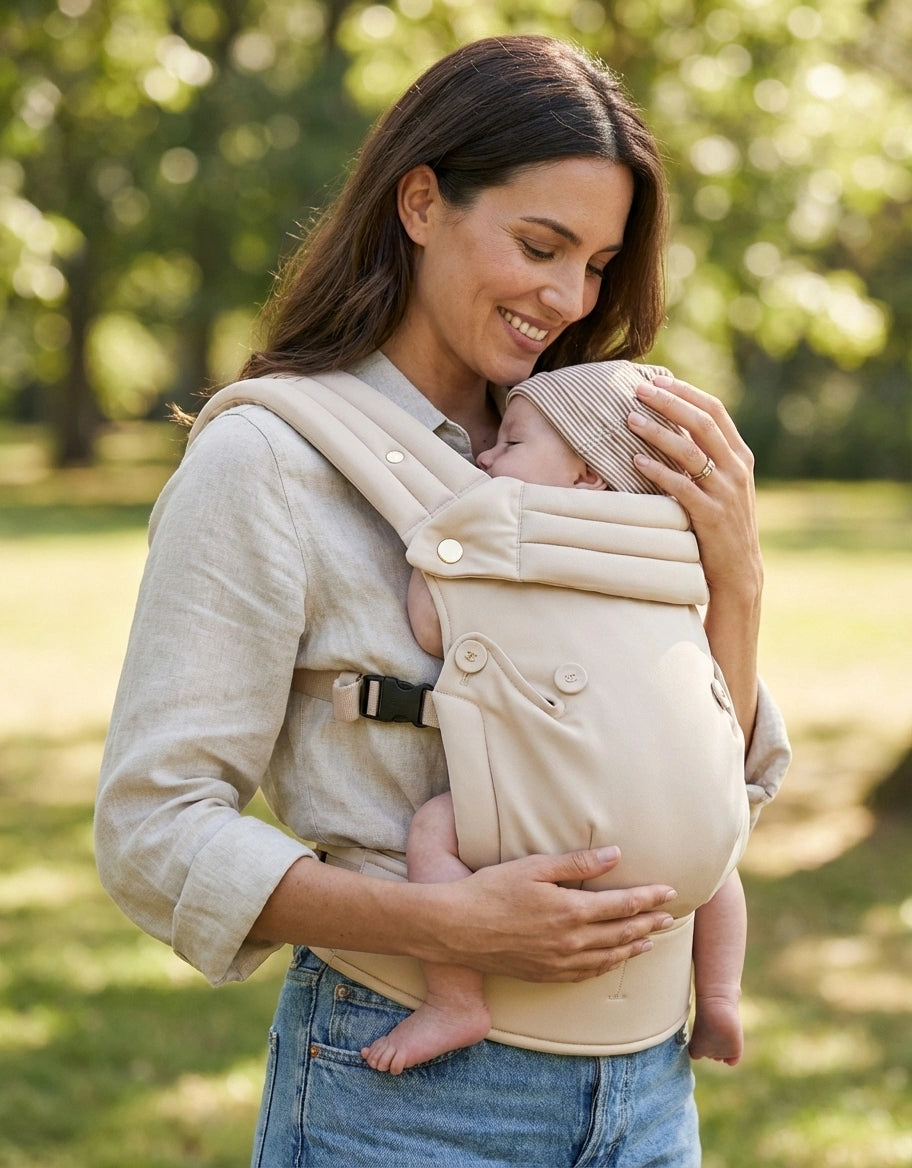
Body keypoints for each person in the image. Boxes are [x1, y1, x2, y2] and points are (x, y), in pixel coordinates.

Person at [95, 35, 790, 1167]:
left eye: (600, 264)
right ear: (421, 201)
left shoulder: (598, 451)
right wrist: (445, 924)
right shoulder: (271, 462)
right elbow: (151, 828)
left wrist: (738, 578)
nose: (568, 299)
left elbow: (722, 776)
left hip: (653, 1088)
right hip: (411, 1098)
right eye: (539, 244)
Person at [361, 360, 748, 1077]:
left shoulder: (503, 541)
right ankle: (720, 993)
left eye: (511, 442)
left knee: (432, 830)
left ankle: (454, 998)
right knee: (718, 853)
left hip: (557, 821)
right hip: (676, 834)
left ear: (588, 477)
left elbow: (429, 628)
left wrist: (434, 555)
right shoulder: (668, 555)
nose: (484, 455)